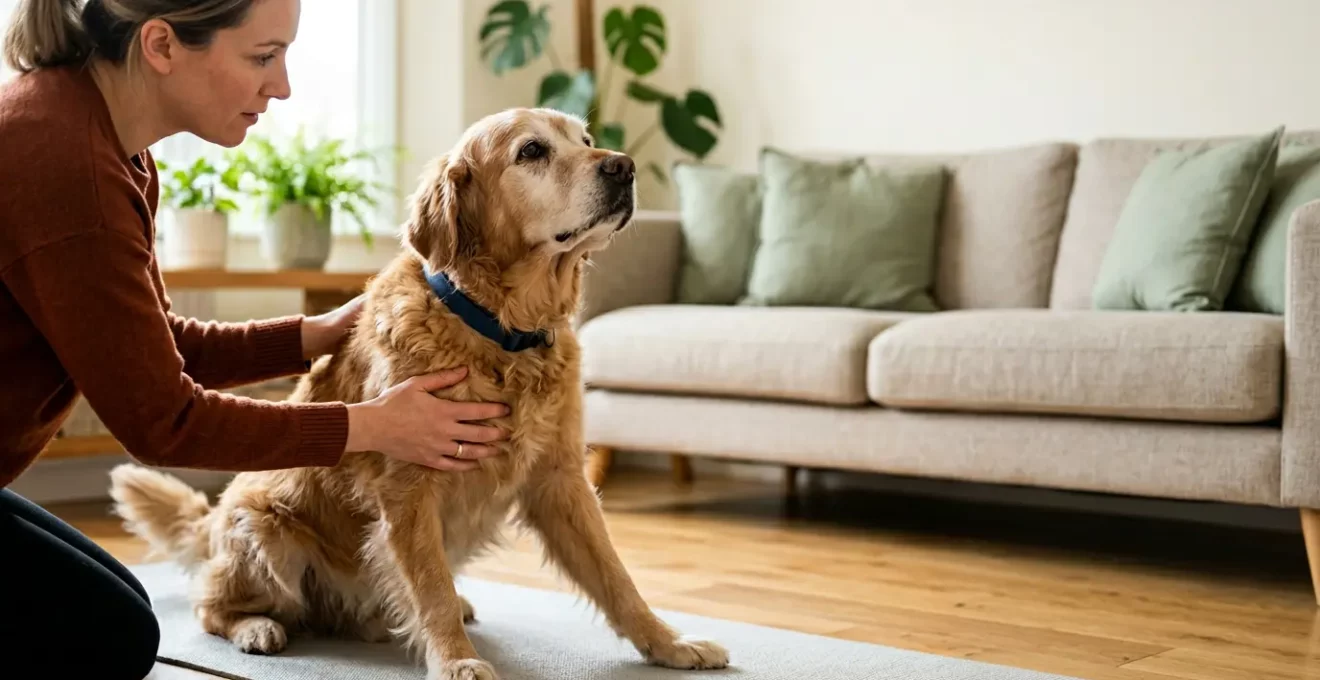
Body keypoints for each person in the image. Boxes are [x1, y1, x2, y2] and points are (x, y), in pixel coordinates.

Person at [0, 1, 510, 678]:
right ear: (161, 45)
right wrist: (371, 427)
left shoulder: (100, 138)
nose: (283, 85)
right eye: (262, 56)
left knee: (124, 602)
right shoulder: (70, 169)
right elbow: (165, 424)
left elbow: (152, 348)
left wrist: (311, 336)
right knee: (110, 636)